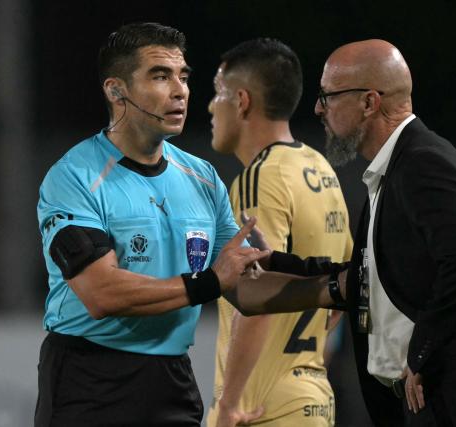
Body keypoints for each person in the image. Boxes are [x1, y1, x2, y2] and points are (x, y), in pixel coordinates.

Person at [229, 39, 456, 426]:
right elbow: (370, 279)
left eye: (327, 95)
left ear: (368, 102)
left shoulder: (423, 162)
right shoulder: (394, 168)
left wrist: (421, 351)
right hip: (421, 402)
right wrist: (273, 261)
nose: (317, 108)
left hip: (451, 403)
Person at [34, 22, 267, 427]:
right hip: (89, 381)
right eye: (160, 76)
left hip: (172, 379)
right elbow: (101, 293)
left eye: (183, 77)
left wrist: (332, 285)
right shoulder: (73, 176)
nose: (180, 90)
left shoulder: (202, 177)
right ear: (116, 90)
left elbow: (244, 285)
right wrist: (209, 283)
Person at [206, 38, 353, 427]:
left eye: (217, 93)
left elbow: (258, 295)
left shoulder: (261, 177)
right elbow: (345, 284)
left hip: (259, 407)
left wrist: (230, 403)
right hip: (311, 396)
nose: (210, 106)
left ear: (241, 101)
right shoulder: (321, 170)